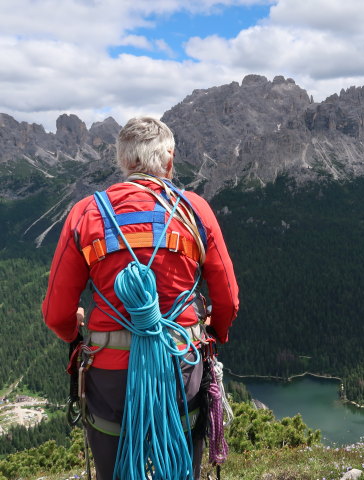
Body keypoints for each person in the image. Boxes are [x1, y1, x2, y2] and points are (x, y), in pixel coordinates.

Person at [42, 116, 239, 479]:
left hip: (109, 373)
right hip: (180, 366)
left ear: (122, 160)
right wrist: (215, 332)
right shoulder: (195, 209)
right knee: (179, 465)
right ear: (168, 158)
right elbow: (226, 299)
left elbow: (56, 314)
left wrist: (75, 330)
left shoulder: (86, 212)